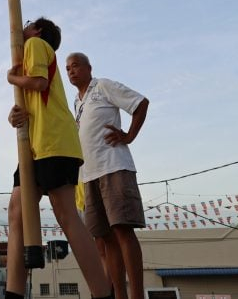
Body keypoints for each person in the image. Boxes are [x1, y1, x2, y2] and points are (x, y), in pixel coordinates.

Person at [6, 19, 112, 299]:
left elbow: (38, 83)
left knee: (66, 215)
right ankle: (13, 292)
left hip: (54, 141)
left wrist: (12, 78)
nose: (23, 26)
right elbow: (32, 101)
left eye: (28, 24)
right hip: (35, 145)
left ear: (38, 31)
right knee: (16, 210)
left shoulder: (35, 44)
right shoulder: (32, 51)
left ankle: (103, 293)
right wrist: (15, 115)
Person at [64, 52, 148, 299]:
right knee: (104, 237)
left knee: (122, 230)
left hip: (113, 167)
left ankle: (137, 295)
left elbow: (141, 104)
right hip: (88, 174)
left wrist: (129, 136)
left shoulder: (102, 86)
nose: (71, 71)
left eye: (76, 66)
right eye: (68, 68)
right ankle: (119, 294)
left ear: (89, 68)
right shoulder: (77, 102)